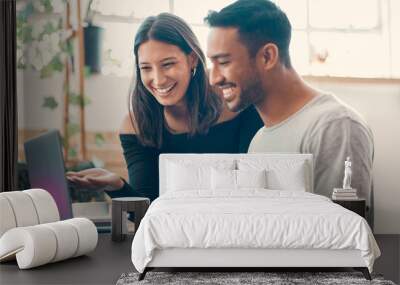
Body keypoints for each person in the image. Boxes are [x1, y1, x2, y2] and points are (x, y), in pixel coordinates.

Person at [205, 0, 374, 225]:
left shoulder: (335, 126)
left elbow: (343, 241)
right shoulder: (259, 140)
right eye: (212, 64)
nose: (214, 78)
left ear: (267, 56)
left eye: (224, 62)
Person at [67, 13, 263, 202]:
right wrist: (115, 185)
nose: (158, 80)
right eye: (146, 68)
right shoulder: (136, 124)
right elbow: (145, 208)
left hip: (236, 223)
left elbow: (253, 189)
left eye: (167, 64)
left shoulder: (235, 101)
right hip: (173, 231)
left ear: (192, 59)